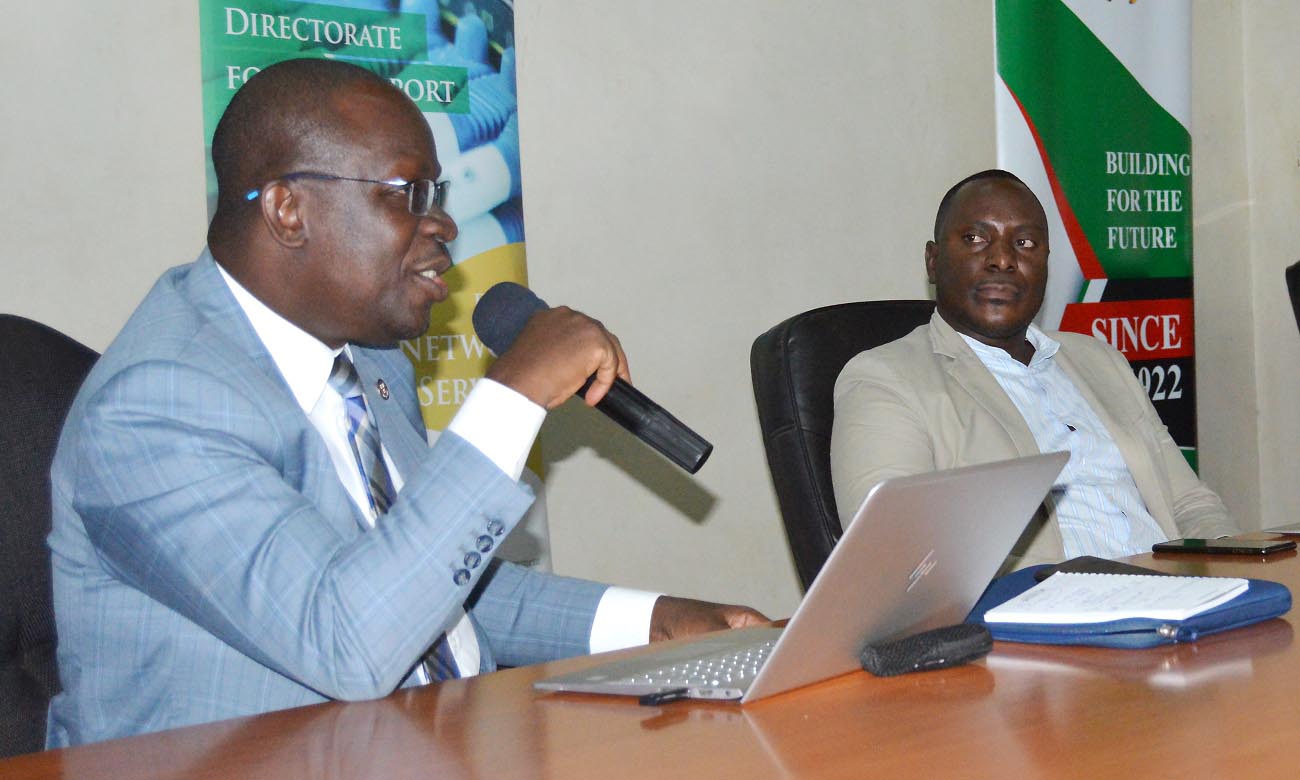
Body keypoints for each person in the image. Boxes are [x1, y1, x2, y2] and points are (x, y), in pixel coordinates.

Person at [46, 58, 764, 747]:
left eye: (439, 196)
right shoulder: (154, 408)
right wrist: (513, 395)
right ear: (288, 209)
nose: (444, 225)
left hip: (436, 743)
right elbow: (349, 640)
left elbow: (437, 589)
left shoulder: (366, 356)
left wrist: (659, 624)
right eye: (407, 194)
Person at [830, 169, 1236, 572]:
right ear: (933, 262)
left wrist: (1233, 576)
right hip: (1042, 618)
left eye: (1024, 243)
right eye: (976, 239)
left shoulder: (1100, 360)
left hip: (1174, 601)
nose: (1003, 260)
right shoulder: (885, 381)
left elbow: (1190, 504)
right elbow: (895, 559)